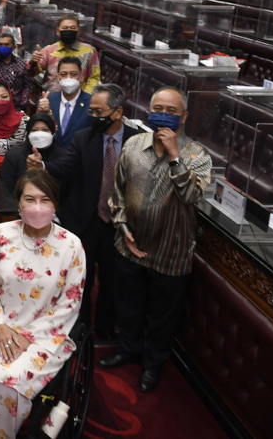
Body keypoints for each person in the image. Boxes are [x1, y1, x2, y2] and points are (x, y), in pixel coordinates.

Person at [0, 169, 86, 439]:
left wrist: (27, 338)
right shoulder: (1, 233)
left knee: (9, 378)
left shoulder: (71, 246)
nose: (37, 207)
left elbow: (69, 304)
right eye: (29, 199)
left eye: (45, 200)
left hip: (45, 335)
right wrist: (0, 327)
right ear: (18, 204)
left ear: (55, 204)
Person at [100, 86, 212, 393]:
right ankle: (128, 349)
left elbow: (191, 195)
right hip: (129, 245)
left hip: (170, 253)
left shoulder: (197, 155)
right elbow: (117, 192)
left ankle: (153, 365)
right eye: (158, 108)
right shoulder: (134, 144)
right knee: (129, 307)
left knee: (162, 317)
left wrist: (176, 156)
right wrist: (123, 228)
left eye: (171, 111)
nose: (163, 115)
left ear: (184, 117)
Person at [31, 84, 141, 339]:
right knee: (82, 279)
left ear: (118, 112)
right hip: (86, 220)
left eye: (98, 111)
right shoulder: (84, 137)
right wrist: (43, 165)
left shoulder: (136, 140)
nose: (93, 117)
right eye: (90, 111)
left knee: (112, 282)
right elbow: (66, 166)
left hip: (119, 224)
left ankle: (105, 330)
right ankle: (79, 330)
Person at [28, 14, 100, 93]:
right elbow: (31, 73)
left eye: (72, 28)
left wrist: (86, 97)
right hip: (51, 98)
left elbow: (94, 78)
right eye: (65, 28)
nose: (69, 31)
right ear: (57, 31)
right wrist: (33, 62)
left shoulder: (89, 51)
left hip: (79, 99)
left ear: (78, 31)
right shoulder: (48, 50)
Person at [38, 57, 92, 150]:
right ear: (57, 78)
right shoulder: (46, 100)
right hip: (51, 159)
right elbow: (39, 133)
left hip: (78, 160)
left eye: (73, 74)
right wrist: (42, 114)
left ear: (81, 78)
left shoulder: (92, 103)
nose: (68, 78)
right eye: (63, 74)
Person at [0, 113, 59, 198]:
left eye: (45, 130)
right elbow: (6, 189)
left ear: (52, 132)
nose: (40, 134)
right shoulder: (13, 156)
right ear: (28, 133)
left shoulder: (63, 157)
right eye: (35, 130)